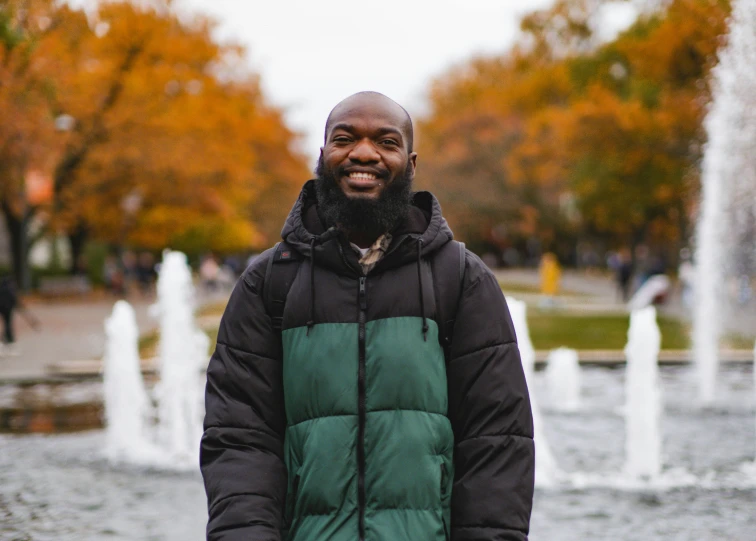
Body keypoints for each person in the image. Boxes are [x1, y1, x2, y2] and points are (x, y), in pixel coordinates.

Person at [200, 92, 535, 541]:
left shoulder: (461, 278)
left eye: (385, 141)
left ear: (410, 163)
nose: (362, 152)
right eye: (345, 138)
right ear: (322, 156)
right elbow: (240, 438)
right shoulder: (269, 281)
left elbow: (497, 441)